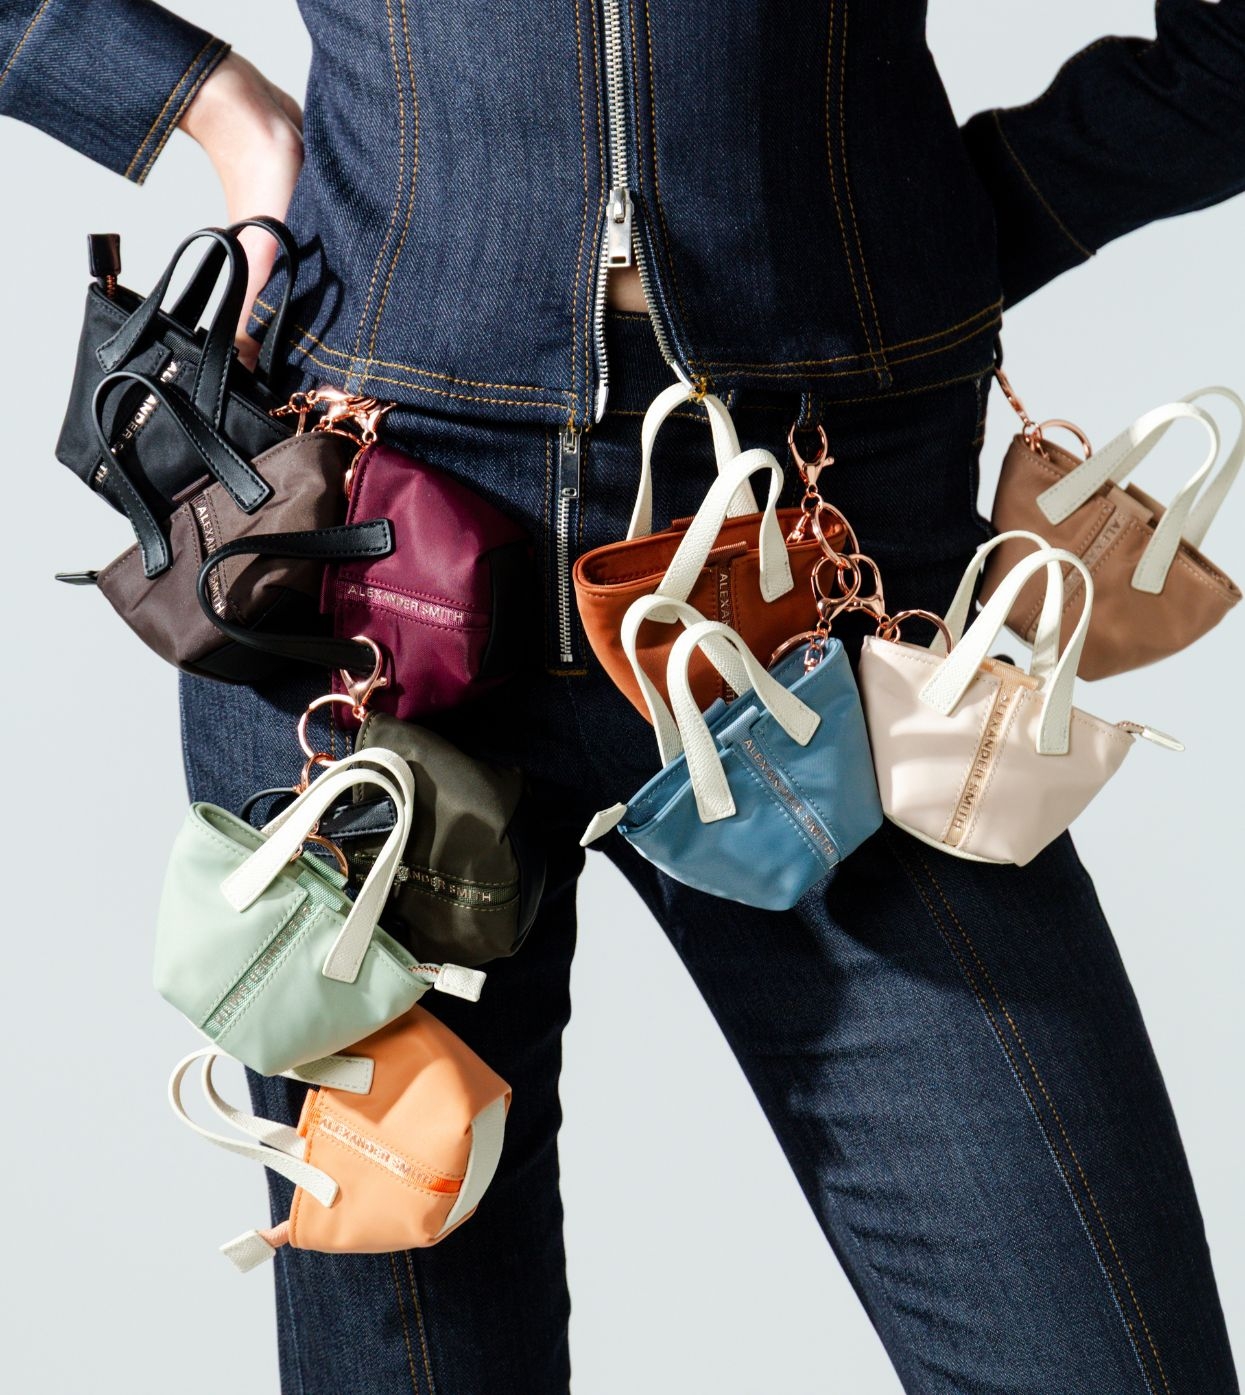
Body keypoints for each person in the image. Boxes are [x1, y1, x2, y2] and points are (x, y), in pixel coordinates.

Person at [3, 3, 1242, 1391]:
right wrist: (214, 109)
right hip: (347, 551)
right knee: (408, 1339)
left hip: (823, 556)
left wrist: (931, 240)